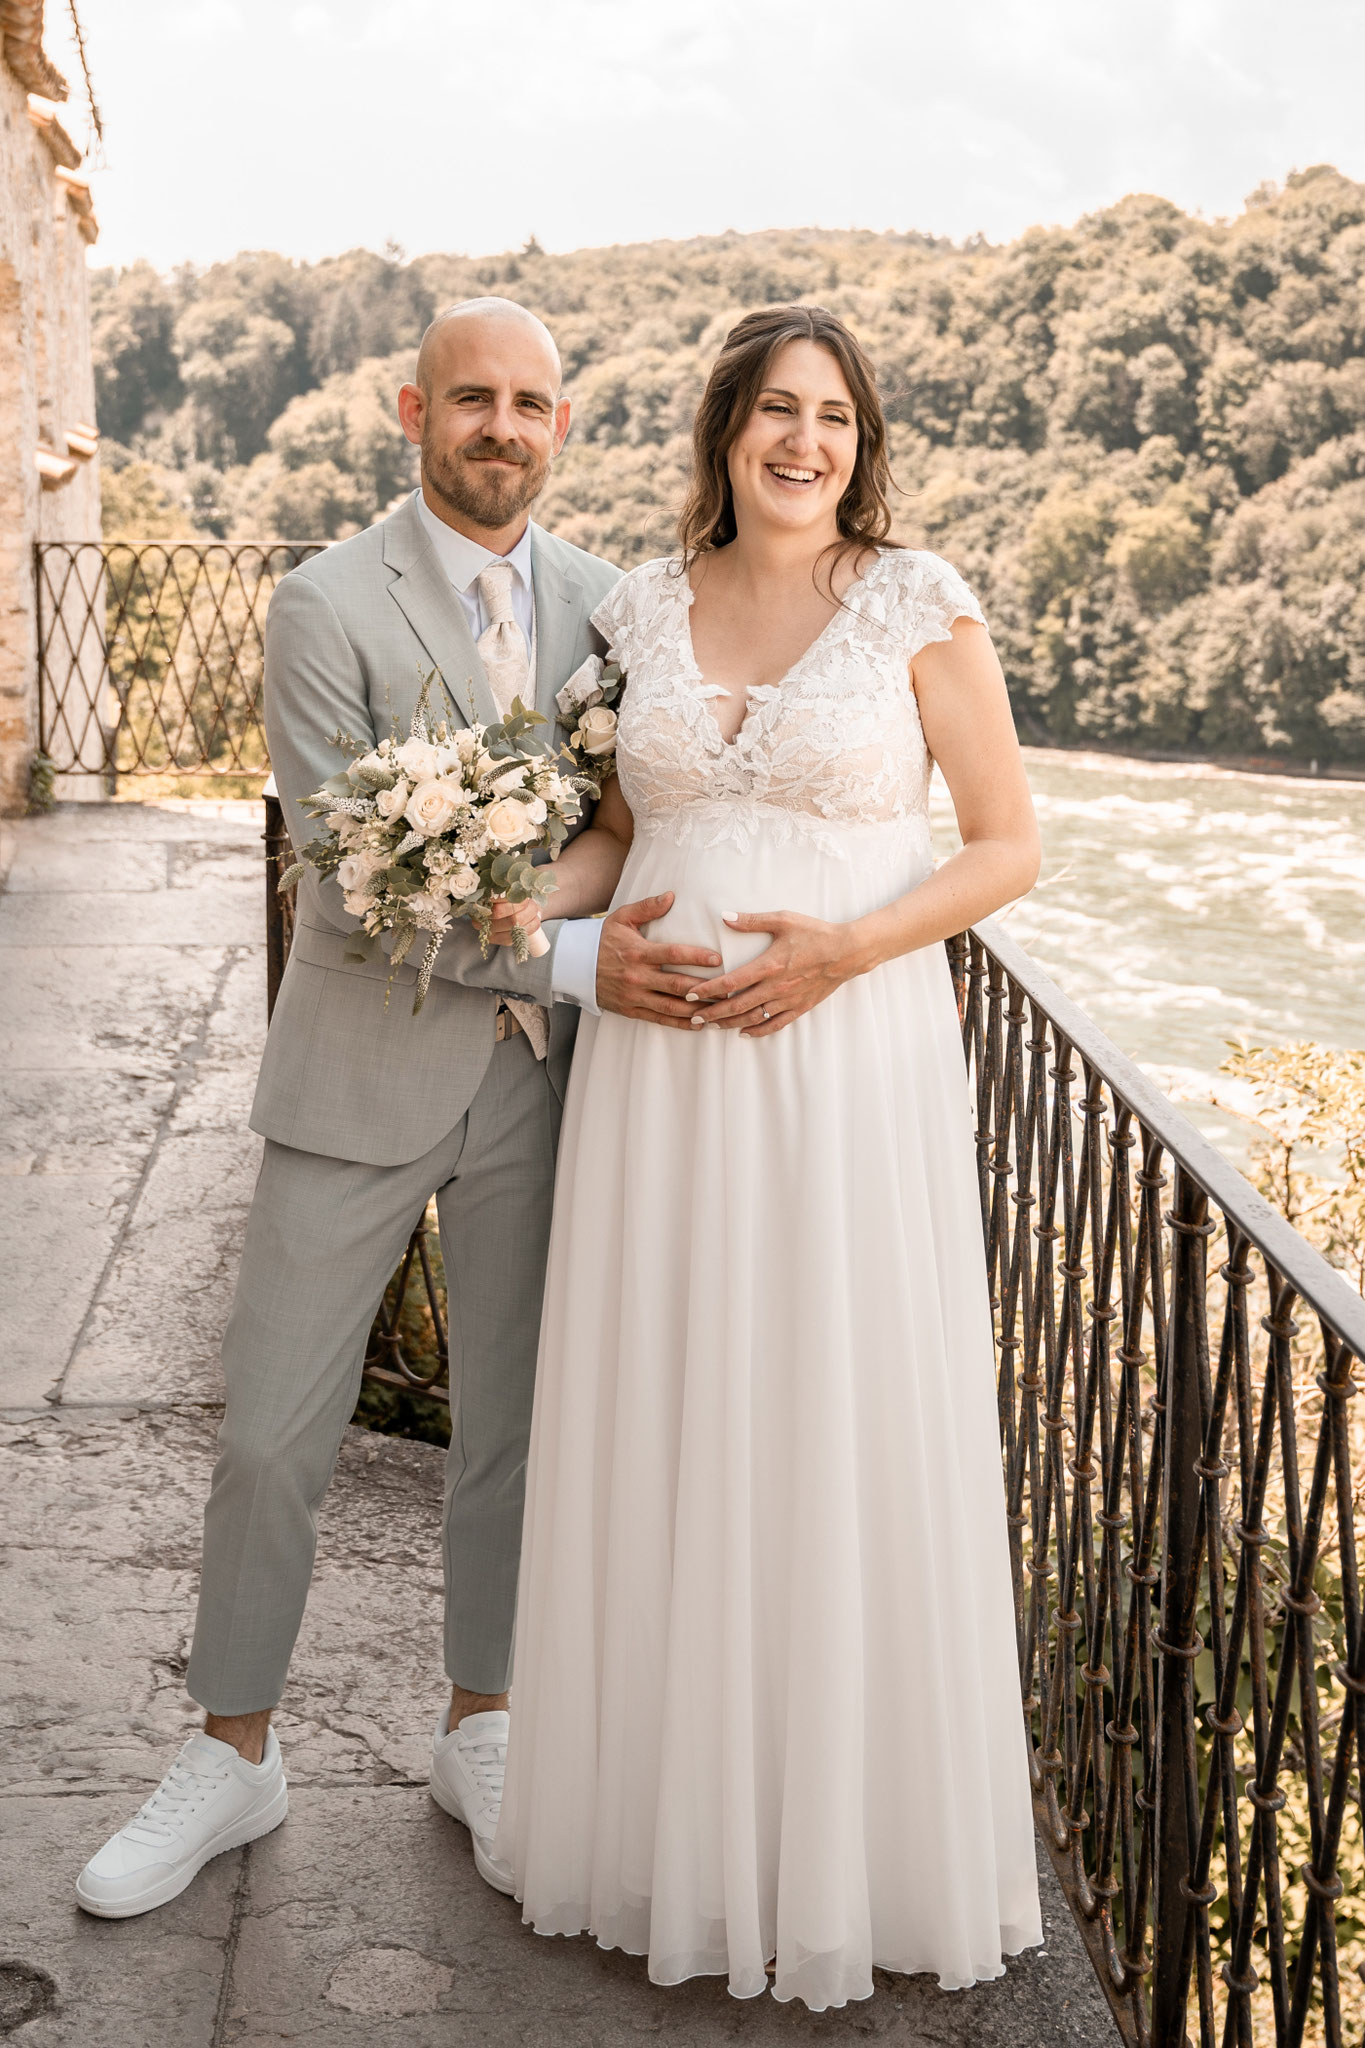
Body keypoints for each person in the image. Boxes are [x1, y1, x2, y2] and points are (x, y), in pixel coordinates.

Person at [73, 298, 723, 1919]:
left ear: (562, 425)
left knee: (513, 1432)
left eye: (530, 404)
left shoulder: (615, 610)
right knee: (274, 1434)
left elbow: (641, 819)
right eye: (471, 401)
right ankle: (233, 1752)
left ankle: (480, 1725)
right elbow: (342, 887)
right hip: (361, 1071)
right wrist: (576, 965)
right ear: (411, 409)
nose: (500, 428)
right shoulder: (317, 604)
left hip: (541, 1097)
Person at [491, 304, 1045, 2010]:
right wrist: (531, 907)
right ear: (724, 431)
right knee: (672, 1407)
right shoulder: (635, 605)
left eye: (834, 418)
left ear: (860, 444)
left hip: (842, 1061)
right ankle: (663, 1839)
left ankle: (840, 1855)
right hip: (660, 1073)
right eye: (775, 413)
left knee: (830, 1405)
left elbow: (1009, 844)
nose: (804, 443)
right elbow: (615, 827)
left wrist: (844, 953)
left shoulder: (913, 600)